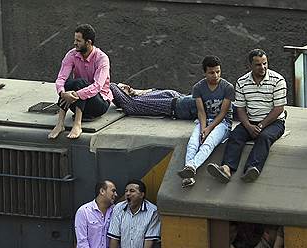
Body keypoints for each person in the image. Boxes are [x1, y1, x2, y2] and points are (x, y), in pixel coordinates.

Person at [206, 49, 286, 184]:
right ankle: (226, 168)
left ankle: (252, 169)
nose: (263, 67)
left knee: (265, 137)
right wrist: (249, 126)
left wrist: (260, 126)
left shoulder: (278, 80)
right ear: (250, 66)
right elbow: (240, 108)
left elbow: (279, 109)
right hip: (250, 120)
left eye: (265, 63)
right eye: (258, 65)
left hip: (273, 122)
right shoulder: (242, 82)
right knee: (236, 136)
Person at [178, 56, 234, 188]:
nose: (215, 75)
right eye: (211, 72)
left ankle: (191, 166)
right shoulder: (198, 87)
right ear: (205, 72)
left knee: (208, 143)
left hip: (223, 123)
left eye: (218, 72)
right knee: (193, 142)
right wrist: (203, 129)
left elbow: (223, 113)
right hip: (204, 121)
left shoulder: (228, 87)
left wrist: (209, 130)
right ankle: (188, 177)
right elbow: (201, 112)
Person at [49, 24, 111, 140]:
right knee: (68, 83)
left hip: (98, 104)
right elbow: (61, 78)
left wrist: (76, 94)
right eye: (75, 40)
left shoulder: (102, 59)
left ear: (88, 42)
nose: (75, 43)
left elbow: (97, 86)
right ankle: (60, 123)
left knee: (80, 83)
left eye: (78, 40)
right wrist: (63, 93)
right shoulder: (72, 55)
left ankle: (77, 124)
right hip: (77, 102)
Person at [109, 83, 197, 120]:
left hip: (175, 105)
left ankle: (118, 90)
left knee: (132, 104)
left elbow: (130, 105)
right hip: (179, 99)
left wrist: (109, 85)